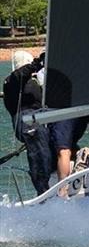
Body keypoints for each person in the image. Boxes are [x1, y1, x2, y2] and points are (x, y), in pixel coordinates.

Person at [2, 50, 53, 195]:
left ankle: (57, 178)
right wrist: (37, 63)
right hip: (25, 121)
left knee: (58, 143)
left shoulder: (35, 81)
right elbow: (21, 73)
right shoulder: (12, 80)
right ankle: (42, 190)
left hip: (41, 118)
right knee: (39, 151)